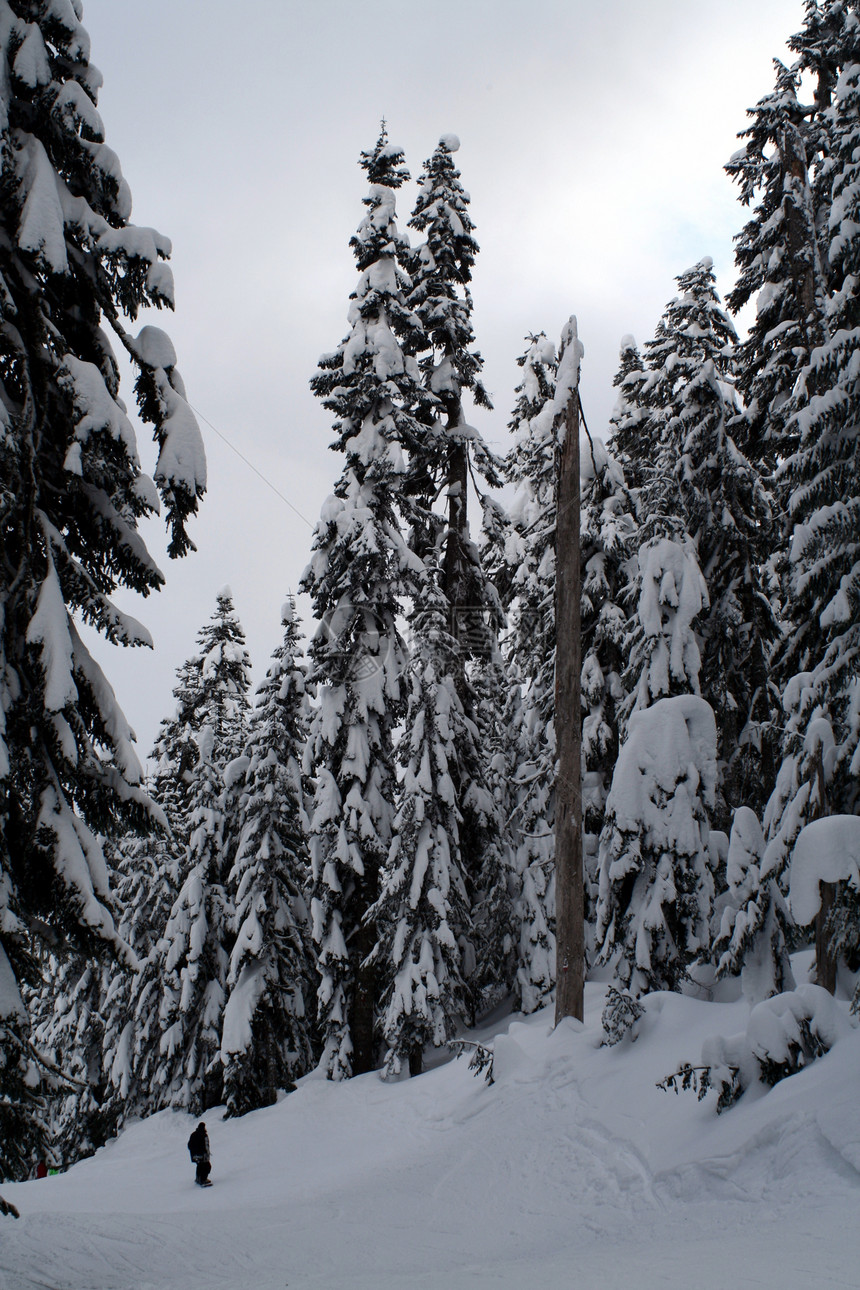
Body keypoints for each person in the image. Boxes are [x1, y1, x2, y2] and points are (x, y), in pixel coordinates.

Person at [187, 1121, 212, 1187]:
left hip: (195, 1155)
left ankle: (199, 1178)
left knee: (200, 1166)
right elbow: (206, 1146)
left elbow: (189, 1145)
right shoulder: (203, 1135)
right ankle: (203, 1179)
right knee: (206, 1166)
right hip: (202, 1155)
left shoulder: (193, 1134)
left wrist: (194, 1152)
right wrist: (204, 1153)